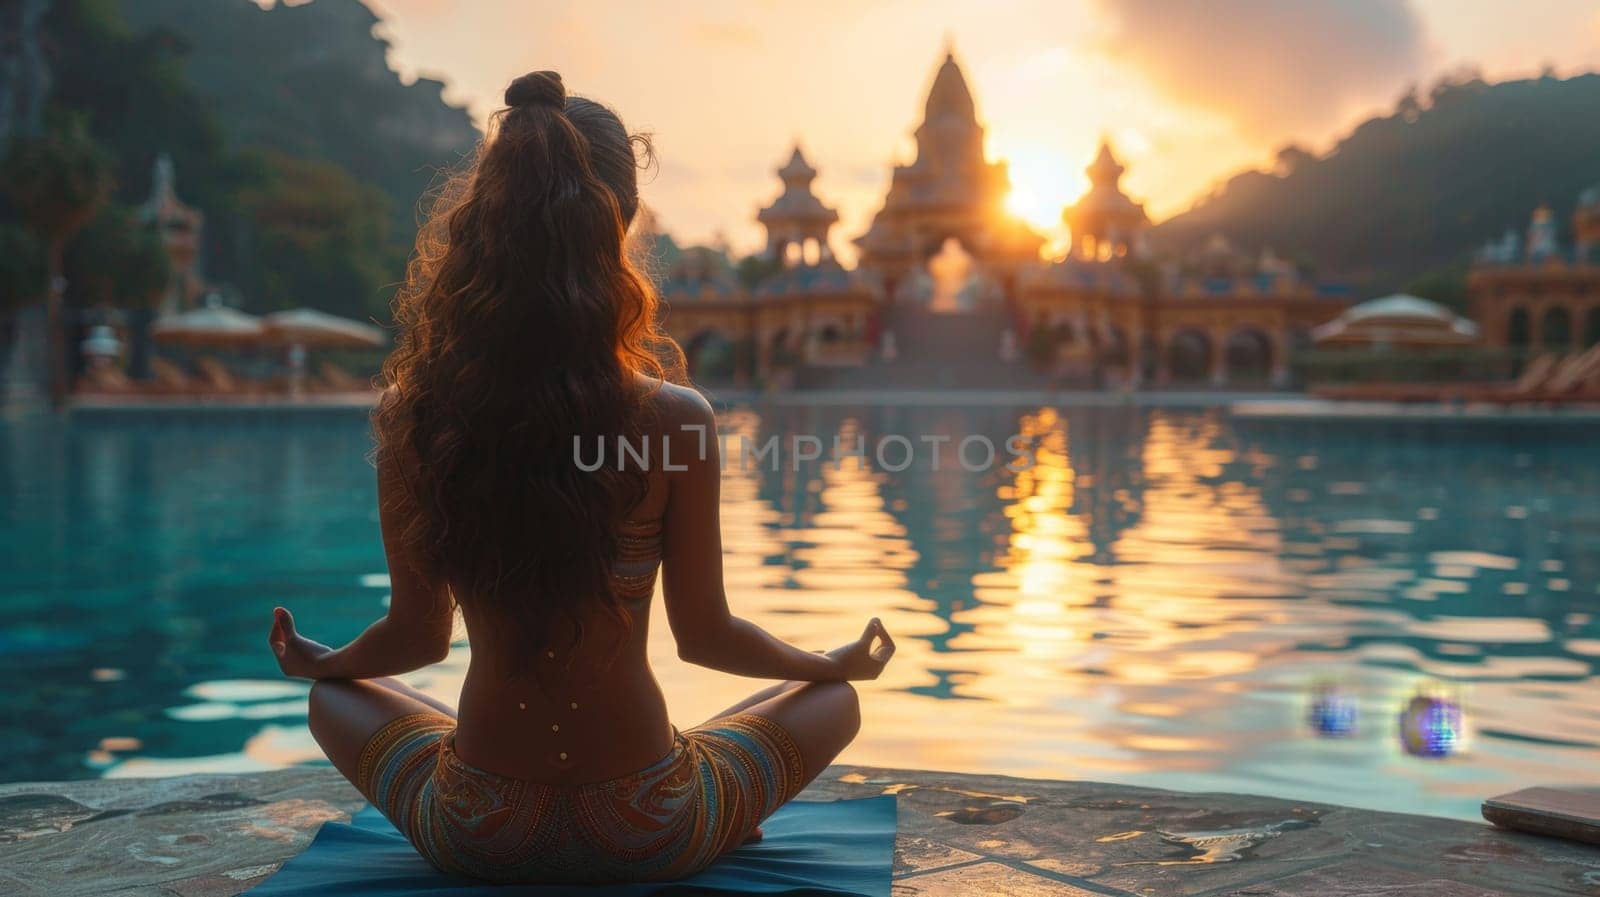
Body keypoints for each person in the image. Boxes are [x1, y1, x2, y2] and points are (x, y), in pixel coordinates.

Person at [265, 70, 894, 884]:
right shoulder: (675, 419)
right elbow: (705, 636)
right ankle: (724, 809)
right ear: (621, 226)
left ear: (488, 218)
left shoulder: (418, 416)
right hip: (649, 824)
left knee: (336, 699)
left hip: (480, 827)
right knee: (833, 700)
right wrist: (829, 661)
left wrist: (323, 662)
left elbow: (417, 638)